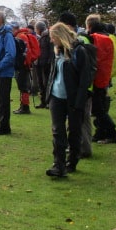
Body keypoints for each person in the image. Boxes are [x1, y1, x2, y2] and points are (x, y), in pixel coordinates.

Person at [44, 22, 93, 177]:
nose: (51, 41)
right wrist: (48, 94)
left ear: (60, 36)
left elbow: (85, 79)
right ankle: (58, 165)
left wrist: (79, 101)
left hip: (73, 98)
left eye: (53, 37)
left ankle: (72, 161)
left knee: (74, 131)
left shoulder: (79, 51)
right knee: (57, 131)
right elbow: (53, 73)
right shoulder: (57, 51)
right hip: (56, 97)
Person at [59, 12, 93, 158]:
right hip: (82, 85)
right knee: (82, 118)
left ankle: (82, 148)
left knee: (81, 119)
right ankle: (81, 146)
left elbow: (84, 66)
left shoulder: (80, 40)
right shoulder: (82, 37)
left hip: (82, 86)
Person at [85, 14, 116, 144]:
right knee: (98, 107)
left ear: (89, 26)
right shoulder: (109, 38)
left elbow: (95, 59)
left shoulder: (96, 39)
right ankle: (100, 132)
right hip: (105, 75)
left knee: (98, 109)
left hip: (98, 77)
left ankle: (112, 132)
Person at [12, 22, 40, 114]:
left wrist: (24, 63)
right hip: (25, 65)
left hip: (22, 65)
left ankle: (25, 107)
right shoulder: (24, 35)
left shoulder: (21, 37)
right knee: (23, 86)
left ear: (15, 29)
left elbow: (26, 52)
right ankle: (23, 106)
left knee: (23, 87)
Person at [34, 20, 53, 109]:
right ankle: (44, 101)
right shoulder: (41, 37)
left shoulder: (47, 36)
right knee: (41, 83)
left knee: (46, 83)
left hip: (45, 63)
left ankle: (47, 101)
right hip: (40, 63)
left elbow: (51, 51)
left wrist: (49, 61)